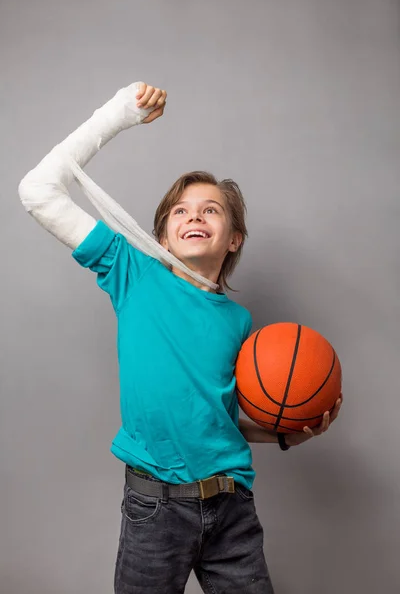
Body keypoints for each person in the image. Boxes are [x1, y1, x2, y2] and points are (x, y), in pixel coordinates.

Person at [19, 82, 342, 594]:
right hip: (156, 508)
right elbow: (37, 190)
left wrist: (286, 432)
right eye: (181, 210)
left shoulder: (239, 323)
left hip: (232, 505)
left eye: (211, 210)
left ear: (233, 237)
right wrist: (118, 114)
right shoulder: (134, 273)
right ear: (162, 235)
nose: (194, 215)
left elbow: (216, 416)